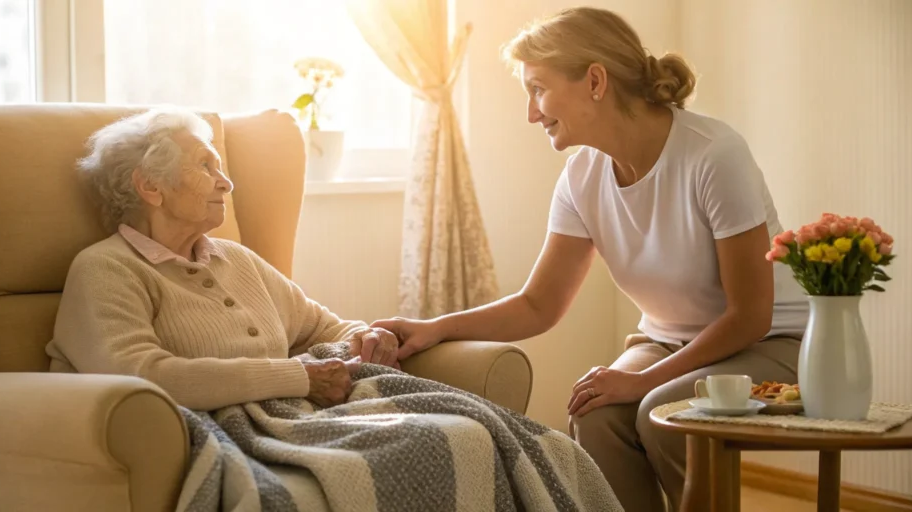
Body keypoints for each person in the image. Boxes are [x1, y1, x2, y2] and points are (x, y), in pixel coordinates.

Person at [371, 6, 808, 511]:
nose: (531, 113)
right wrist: (438, 327)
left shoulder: (713, 155)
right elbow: (539, 304)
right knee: (594, 411)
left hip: (771, 342)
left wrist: (644, 379)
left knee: (661, 411)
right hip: (669, 341)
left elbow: (749, 315)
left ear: (595, 81)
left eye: (537, 88)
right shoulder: (581, 177)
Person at [45, 108, 400, 412]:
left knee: (442, 423)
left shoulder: (236, 259)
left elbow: (323, 328)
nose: (227, 184)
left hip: (296, 415)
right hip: (218, 431)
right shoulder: (106, 269)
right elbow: (141, 376)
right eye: (205, 166)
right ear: (151, 187)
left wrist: (368, 337)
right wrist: (296, 378)